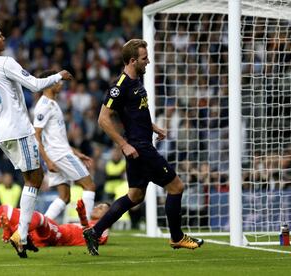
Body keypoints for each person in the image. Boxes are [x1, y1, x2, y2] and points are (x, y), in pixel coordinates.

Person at [83, 39, 204, 256]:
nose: (148, 61)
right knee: (176, 187)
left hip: (141, 145)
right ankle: (177, 237)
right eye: (144, 58)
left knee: (135, 195)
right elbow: (103, 119)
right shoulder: (119, 87)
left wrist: (154, 127)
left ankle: (95, 231)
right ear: (132, 61)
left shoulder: (138, 81)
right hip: (139, 148)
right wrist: (124, 144)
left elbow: (137, 114)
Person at [0, 23, 73, 255]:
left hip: (1, 131)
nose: (4, 38)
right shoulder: (5, 62)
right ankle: (22, 235)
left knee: (31, 177)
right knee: (35, 178)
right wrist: (59, 75)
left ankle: (23, 235)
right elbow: (35, 84)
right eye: (0, 36)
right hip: (17, 128)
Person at [0, 200, 110, 258]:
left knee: (38, 217)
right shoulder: (95, 222)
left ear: (109, 214)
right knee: (4, 209)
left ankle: (13, 231)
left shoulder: (104, 229)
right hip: (50, 235)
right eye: (99, 205)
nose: (97, 207)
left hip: (59, 236)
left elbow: (91, 238)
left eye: (102, 207)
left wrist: (82, 216)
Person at [33, 70, 96, 221]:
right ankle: (86, 230)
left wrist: (76, 152)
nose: (61, 83)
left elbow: (56, 138)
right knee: (89, 186)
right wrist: (47, 161)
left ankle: (42, 227)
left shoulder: (53, 103)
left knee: (64, 197)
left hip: (59, 153)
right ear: (49, 84)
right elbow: (36, 136)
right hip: (59, 155)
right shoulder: (44, 106)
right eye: (58, 81)